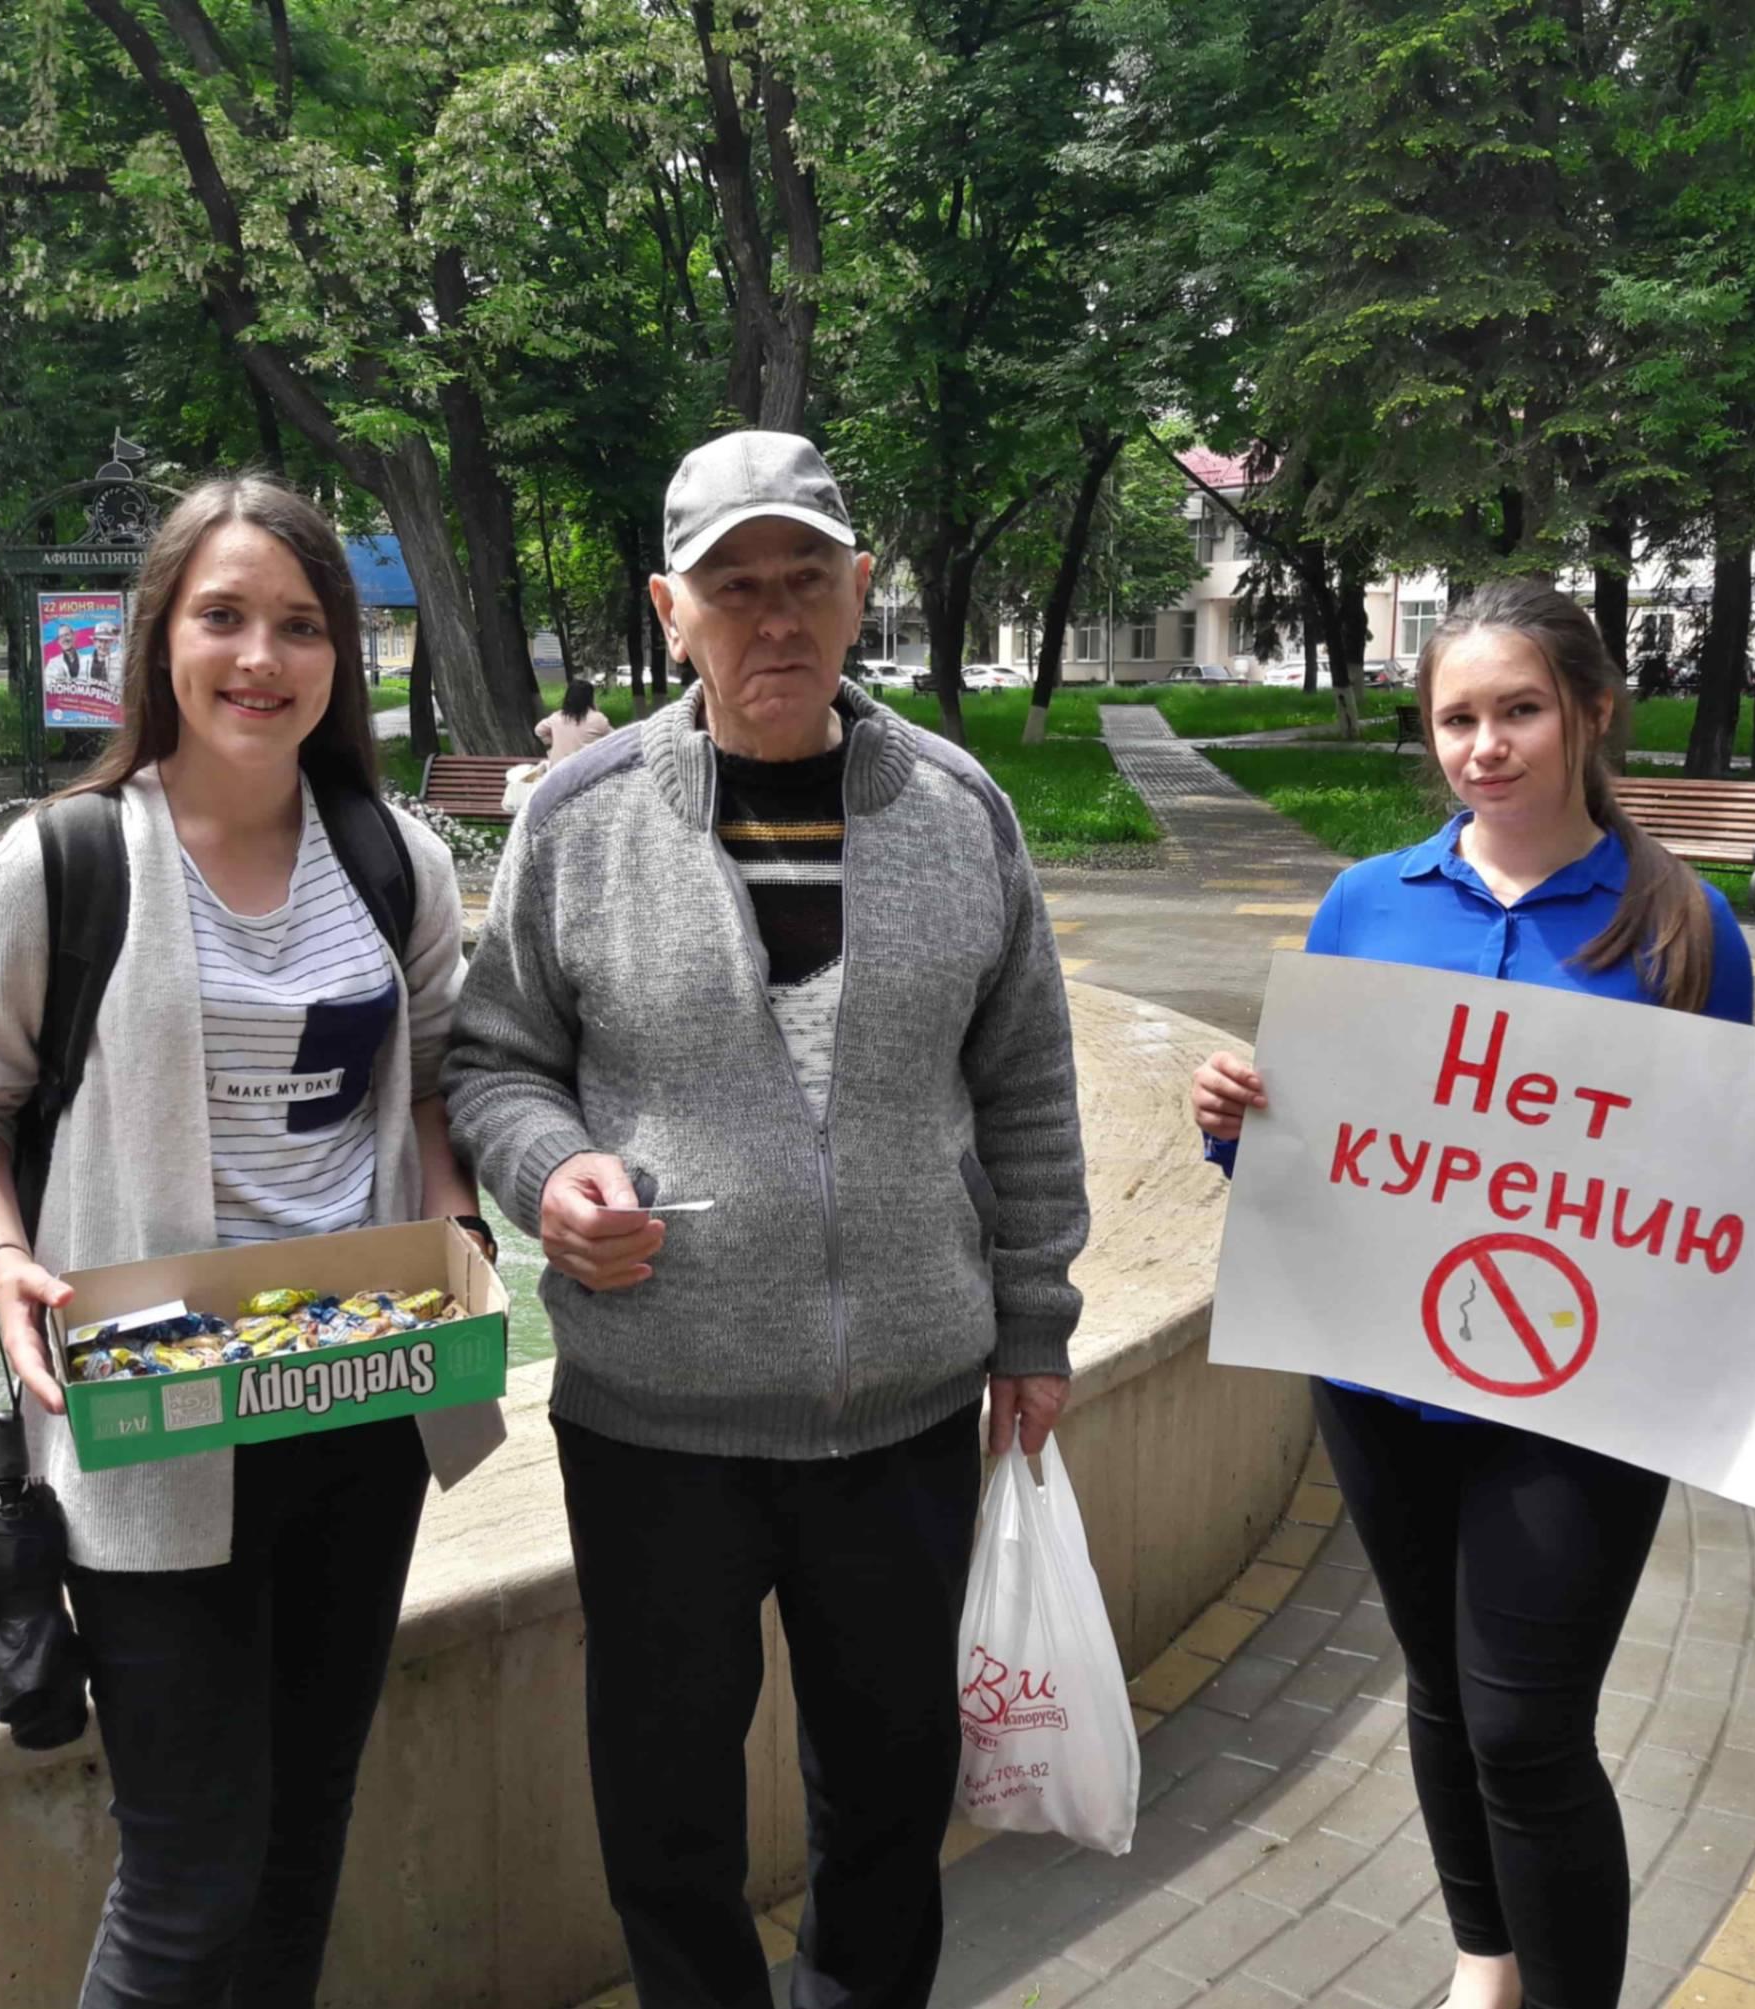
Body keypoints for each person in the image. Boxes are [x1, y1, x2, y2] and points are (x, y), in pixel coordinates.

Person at [1189, 580, 1755, 2009]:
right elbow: (1324, 1159)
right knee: (1436, 1689)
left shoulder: (1681, 925)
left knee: (1524, 1725)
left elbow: (1726, 1181)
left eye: (1518, 709)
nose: (1485, 744)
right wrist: (1233, 1118)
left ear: (1588, 714)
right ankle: (1486, 1958)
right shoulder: (1364, 904)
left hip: (1578, 1398)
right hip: (1377, 1378)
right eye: (1457, 716)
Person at [446, 428, 1089, 2006]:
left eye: (806, 576)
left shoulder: (956, 811)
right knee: (663, 1810)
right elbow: (494, 1061)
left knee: (886, 1796)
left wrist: (1034, 1321)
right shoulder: (583, 820)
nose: (775, 618)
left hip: (907, 1410)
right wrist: (549, 1178)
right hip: (655, 1420)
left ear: (862, 589)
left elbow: (1022, 1085)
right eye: (734, 587)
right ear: (672, 612)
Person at [0, 471, 502, 2009]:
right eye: (222, 615)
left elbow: (433, 1080)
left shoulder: (396, 862)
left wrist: (448, 1204)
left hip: (355, 1392)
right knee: (187, 1882)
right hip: (149, 1410)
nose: (261, 656)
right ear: (158, 637)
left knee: (305, 1836)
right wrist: (2, 1259)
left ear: (337, 658)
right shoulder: (68, 863)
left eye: (298, 624)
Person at [534, 675, 615, 761]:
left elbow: (539, 730)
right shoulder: (597, 719)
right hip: (586, 769)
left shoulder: (556, 717)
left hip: (557, 769)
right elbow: (615, 739)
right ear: (590, 698)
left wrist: (553, 742)